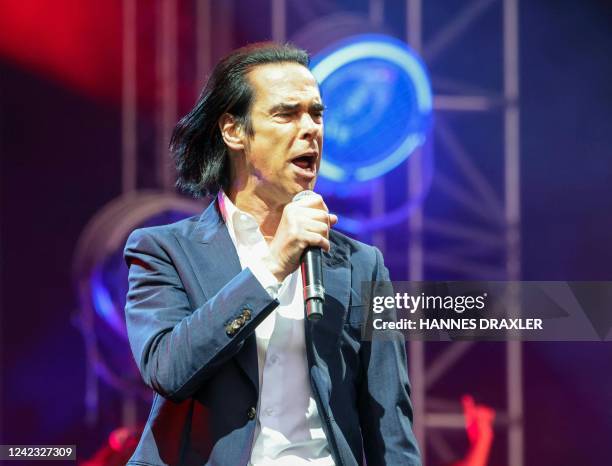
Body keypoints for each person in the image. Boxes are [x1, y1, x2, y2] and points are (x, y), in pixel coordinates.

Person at [124, 42, 421, 466]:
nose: (310, 128)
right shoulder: (164, 250)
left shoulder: (360, 265)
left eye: (316, 113)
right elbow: (168, 370)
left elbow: (389, 422)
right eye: (286, 113)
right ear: (234, 131)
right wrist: (274, 262)